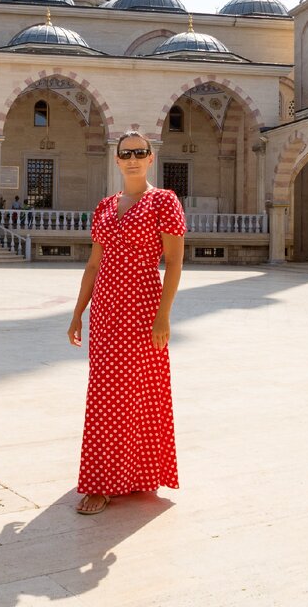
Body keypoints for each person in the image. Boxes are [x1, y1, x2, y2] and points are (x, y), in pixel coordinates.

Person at [66, 131, 186, 516]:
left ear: (151, 158)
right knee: (104, 396)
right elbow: (94, 264)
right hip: (105, 310)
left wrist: (163, 316)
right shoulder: (104, 206)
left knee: (137, 394)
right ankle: (102, 481)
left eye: (140, 152)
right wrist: (77, 312)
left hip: (142, 308)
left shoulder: (163, 202)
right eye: (126, 153)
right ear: (116, 160)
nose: (133, 158)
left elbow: (174, 263)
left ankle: (134, 475)